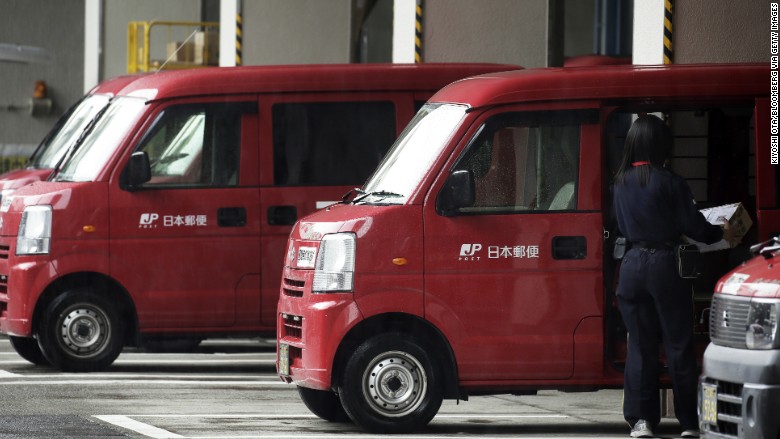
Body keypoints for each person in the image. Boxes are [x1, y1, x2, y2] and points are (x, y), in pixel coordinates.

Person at [612, 115, 738, 438]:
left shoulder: (620, 181)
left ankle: (642, 421)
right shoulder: (670, 182)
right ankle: (689, 423)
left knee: (640, 346)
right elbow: (694, 226)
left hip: (631, 266)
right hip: (666, 266)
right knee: (678, 344)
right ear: (660, 146)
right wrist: (722, 232)